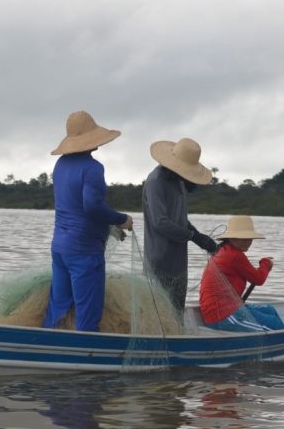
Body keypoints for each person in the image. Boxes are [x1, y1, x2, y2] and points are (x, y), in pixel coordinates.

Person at [42, 111, 134, 332]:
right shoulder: (93, 168)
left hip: (60, 248)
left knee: (58, 307)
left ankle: (45, 344)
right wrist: (121, 219)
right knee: (88, 313)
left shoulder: (61, 165)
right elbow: (91, 206)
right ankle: (88, 356)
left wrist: (110, 225)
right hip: (84, 251)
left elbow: (75, 205)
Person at [142, 137, 217, 312]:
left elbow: (180, 219)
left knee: (177, 309)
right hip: (158, 260)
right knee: (160, 311)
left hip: (178, 261)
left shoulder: (179, 182)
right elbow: (161, 223)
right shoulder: (156, 182)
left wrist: (200, 238)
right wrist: (192, 236)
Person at [198, 215, 284, 331]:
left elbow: (252, 275)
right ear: (231, 238)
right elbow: (258, 279)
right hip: (223, 315)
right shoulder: (235, 255)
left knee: (270, 310)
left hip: (229, 307)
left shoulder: (223, 250)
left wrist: (263, 265)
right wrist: (266, 263)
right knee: (272, 326)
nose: (248, 242)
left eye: (250, 238)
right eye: (243, 238)